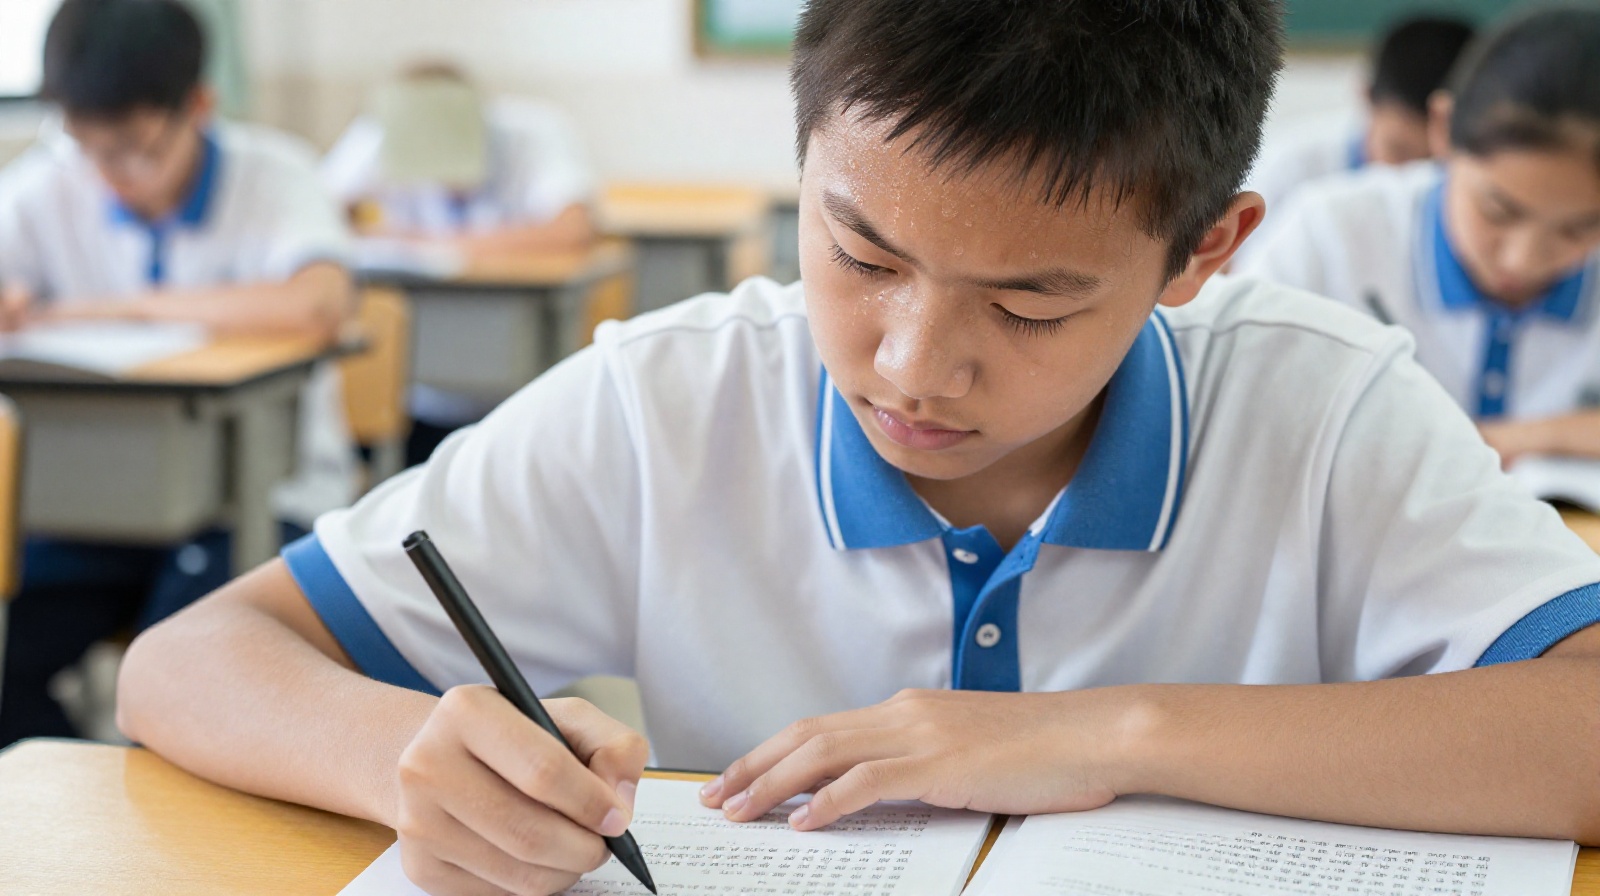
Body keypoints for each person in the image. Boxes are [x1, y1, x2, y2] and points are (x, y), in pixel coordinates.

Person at [119, 2, 1600, 895]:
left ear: (1203, 251)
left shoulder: (1323, 410)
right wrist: (408, 761)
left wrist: (1101, 734)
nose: (910, 365)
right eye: (861, 252)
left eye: (1031, 302)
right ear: (805, 166)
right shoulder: (669, 404)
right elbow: (181, 664)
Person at [0, 0, 357, 744]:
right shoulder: (45, 184)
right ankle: (69, 807)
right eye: (86, 146)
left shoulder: (275, 174)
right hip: (89, 511)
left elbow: (318, 302)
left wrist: (123, 309)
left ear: (199, 105)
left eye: (133, 148)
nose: (109, 176)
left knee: (182, 688)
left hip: (261, 504)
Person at [1239, 7, 1600, 468]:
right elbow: (1237, 401)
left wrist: (1511, 438)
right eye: (1497, 211)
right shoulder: (1330, 235)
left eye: (1581, 228)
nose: (1523, 258)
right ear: (1443, 131)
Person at [321, 62, 597, 465]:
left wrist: (432, 242)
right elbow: (321, 213)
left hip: (510, 383)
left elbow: (572, 229)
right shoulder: (381, 131)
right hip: (414, 396)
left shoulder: (531, 130)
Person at [1235, 15, 1475, 267]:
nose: (1415, 178)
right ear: (1366, 98)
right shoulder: (1290, 170)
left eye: (1436, 164)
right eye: (1399, 151)